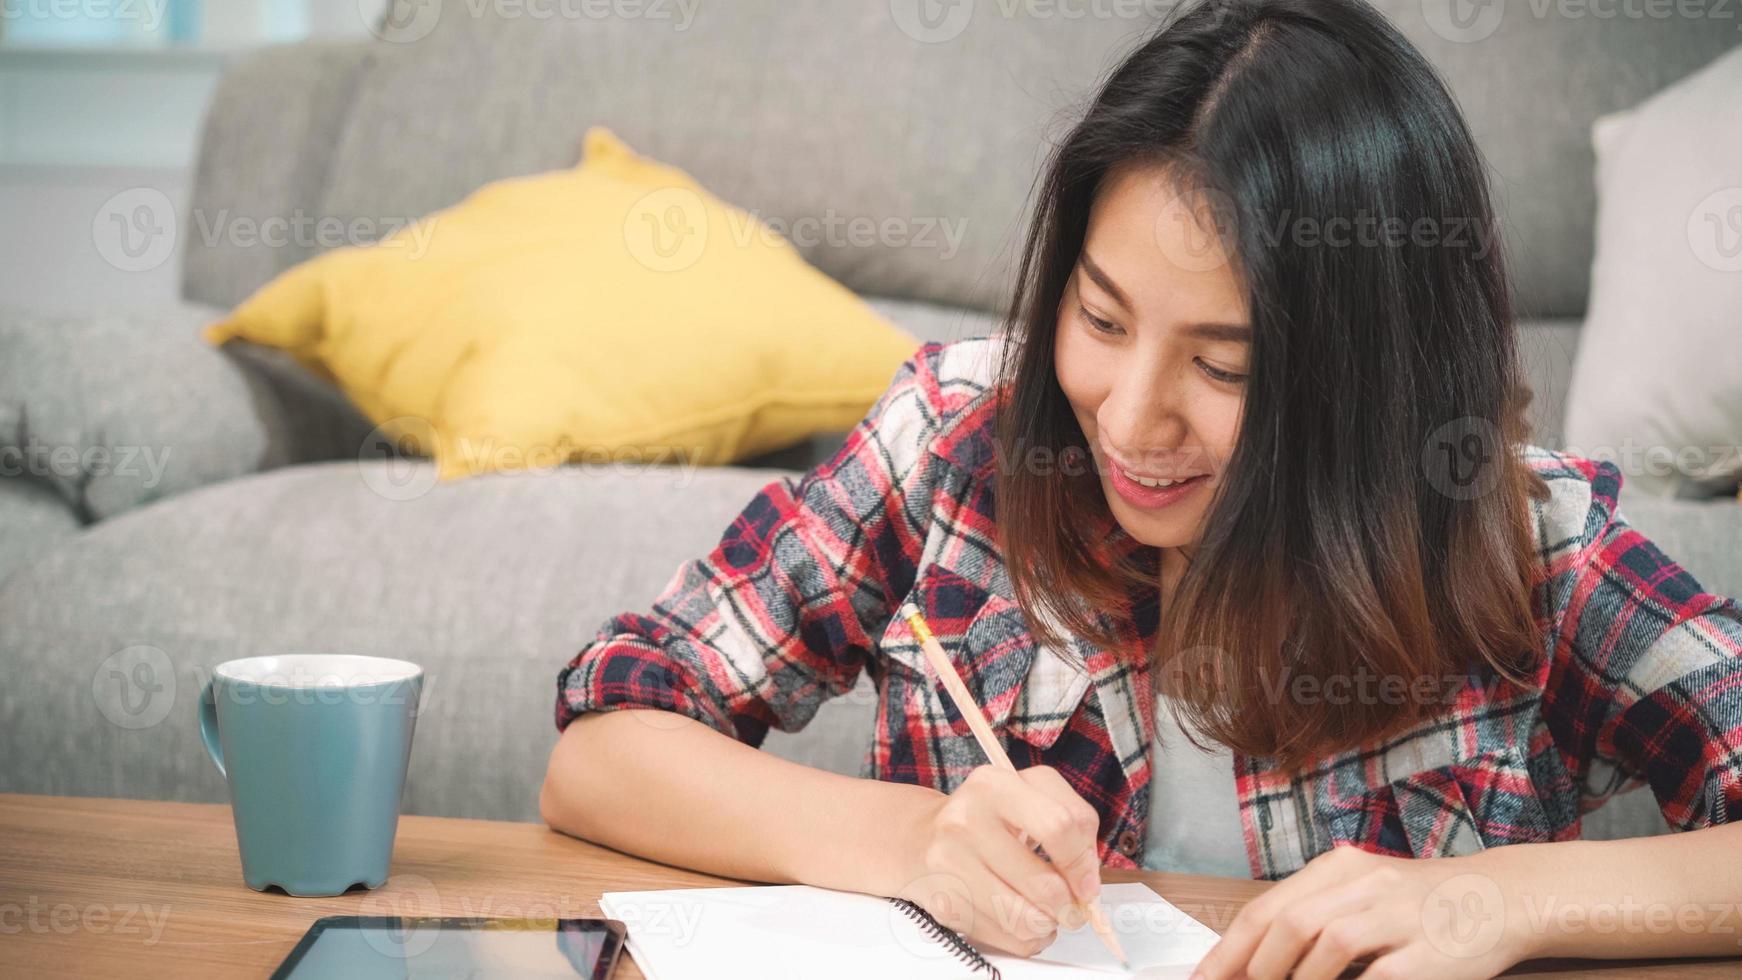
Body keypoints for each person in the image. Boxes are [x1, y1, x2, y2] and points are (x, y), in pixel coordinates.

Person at [539, 1, 1742, 976]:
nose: (1126, 416)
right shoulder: (962, 441)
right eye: (1099, 316)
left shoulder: (1517, 544)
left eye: (1222, 364)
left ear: (1374, 379)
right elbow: (600, 747)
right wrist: (911, 839)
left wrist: (1488, 898)